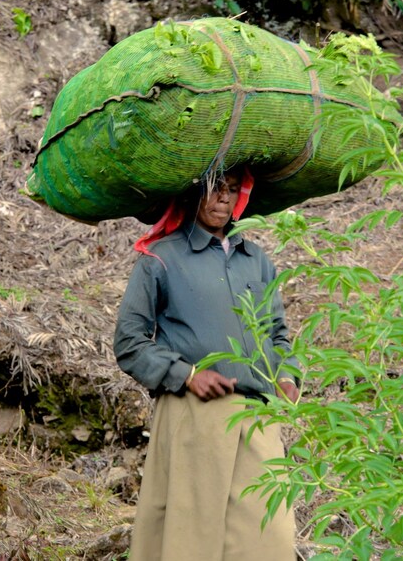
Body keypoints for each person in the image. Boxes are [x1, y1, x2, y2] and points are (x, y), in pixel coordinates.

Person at [113, 168, 300, 561]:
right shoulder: (161, 259)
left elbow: (278, 332)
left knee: (270, 538)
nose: (223, 200)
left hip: (259, 416)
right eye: (215, 189)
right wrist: (187, 375)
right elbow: (129, 343)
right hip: (194, 416)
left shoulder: (256, 260)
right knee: (190, 538)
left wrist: (286, 374)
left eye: (232, 190)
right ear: (192, 194)